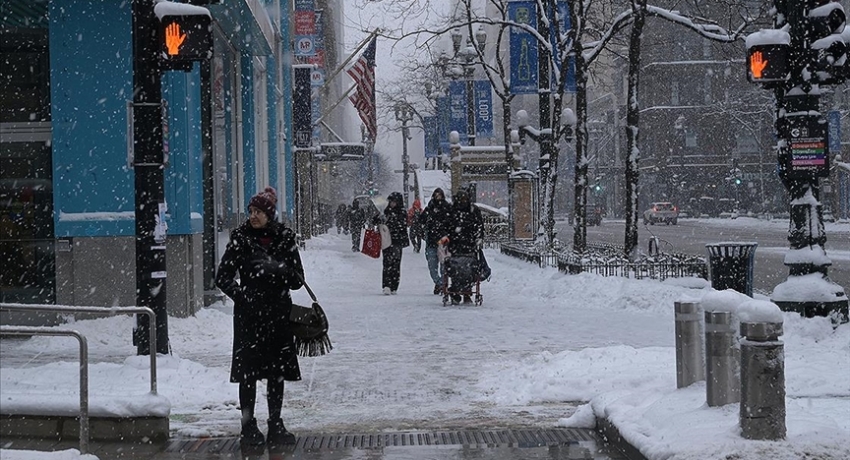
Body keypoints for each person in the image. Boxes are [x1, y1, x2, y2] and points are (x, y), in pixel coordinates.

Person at [215, 187, 303, 449]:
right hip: (249, 318)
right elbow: (223, 277)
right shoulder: (240, 239)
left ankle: (275, 424)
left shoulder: (285, 238)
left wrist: (279, 269)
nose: (254, 216)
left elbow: (299, 280)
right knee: (248, 375)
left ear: (269, 214)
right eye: (251, 211)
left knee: (276, 374)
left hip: (277, 315)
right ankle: (248, 426)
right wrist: (243, 297)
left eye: (259, 212)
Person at [446, 188, 484, 304]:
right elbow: (446, 225)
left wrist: (478, 237)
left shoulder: (473, 211)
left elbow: (479, 226)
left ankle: (466, 291)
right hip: (456, 245)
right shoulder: (452, 211)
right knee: (457, 268)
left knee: (468, 269)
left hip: (468, 245)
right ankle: (457, 291)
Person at [373, 192, 409, 294]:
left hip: (397, 240)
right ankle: (387, 285)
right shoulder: (385, 211)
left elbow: (402, 225)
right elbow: (375, 221)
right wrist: (379, 218)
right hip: (386, 240)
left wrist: (390, 222)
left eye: (394, 202)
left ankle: (394, 286)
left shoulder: (401, 212)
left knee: (395, 264)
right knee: (387, 263)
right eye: (391, 201)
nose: (392, 204)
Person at [419, 188, 452, 295]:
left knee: (444, 266)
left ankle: (442, 284)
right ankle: (439, 283)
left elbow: (450, 222)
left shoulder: (446, 207)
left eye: (439, 195)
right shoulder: (430, 207)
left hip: (443, 242)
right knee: (432, 266)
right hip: (432, 241)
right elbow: (421, 219)